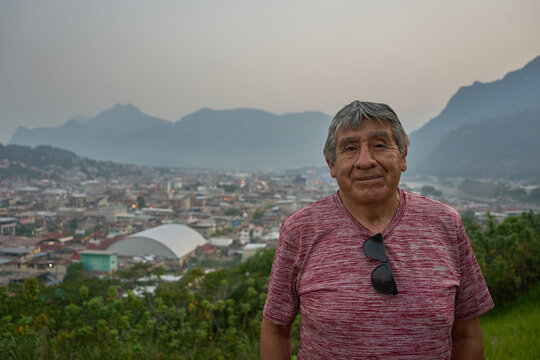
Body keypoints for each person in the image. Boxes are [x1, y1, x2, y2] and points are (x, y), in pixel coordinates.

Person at [260, 101, 494, 359]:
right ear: (332, 166)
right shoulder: (301, 230)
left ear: (403, 156)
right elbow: (276, 330)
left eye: (379, 145)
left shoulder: (446, 224)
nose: (365, 160)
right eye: (350, 148)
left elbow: (466, 333)